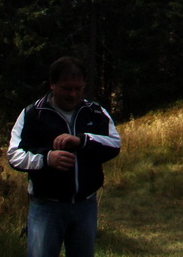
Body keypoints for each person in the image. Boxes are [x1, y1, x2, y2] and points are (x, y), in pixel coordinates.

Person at [8, 57, 121, 257]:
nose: (73, 94)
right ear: (52, 85)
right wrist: (46, 159)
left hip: (85, 206)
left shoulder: (94, 112)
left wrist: (82, 141)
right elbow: (14, 155)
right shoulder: (34, 114)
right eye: (67, 88)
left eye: (78, 89)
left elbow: (114, 144)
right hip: (45, 207)